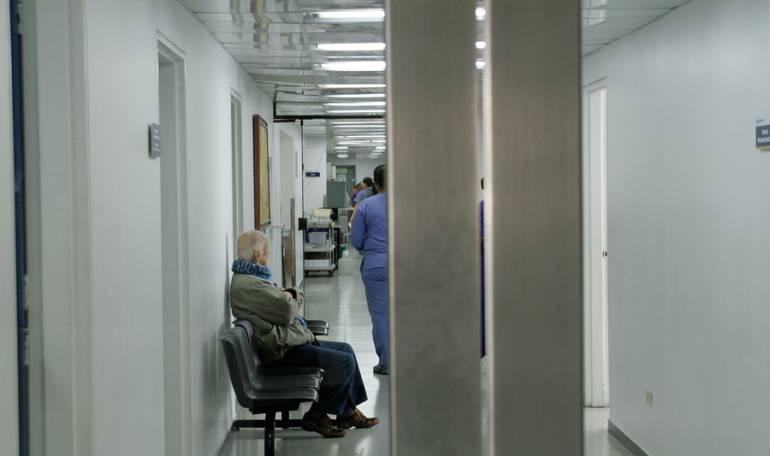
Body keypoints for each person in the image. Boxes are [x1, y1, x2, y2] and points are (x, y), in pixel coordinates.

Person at [229, 230, 379, 438]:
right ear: (256, 253)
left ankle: (347, 413)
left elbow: (283, 303)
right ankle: (317, 415)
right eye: (267, 251)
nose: (269, 255)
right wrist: (294, 294)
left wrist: (288, 296)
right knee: (343, 362)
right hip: (281, 351)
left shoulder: (252, 279)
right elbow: (286, 310)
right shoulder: (249, 285)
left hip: (287, 342)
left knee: (346, 350)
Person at [350, 165, 388, 375]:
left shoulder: (365, 205)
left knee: (380, 315)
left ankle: (387, 362)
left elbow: (356, 239)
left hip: (375, 265)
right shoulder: (408, 204)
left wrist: (371, 248)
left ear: (375, 182)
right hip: (405, 265)